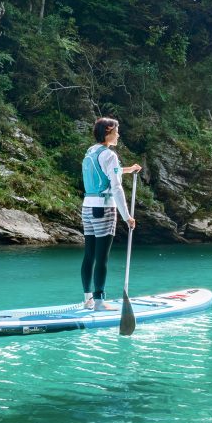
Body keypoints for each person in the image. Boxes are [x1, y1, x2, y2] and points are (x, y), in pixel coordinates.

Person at [80, 117, 141, 311]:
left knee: (89, 254)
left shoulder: (91, 151)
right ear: (107, 131)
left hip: (87, 208)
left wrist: (128, 170)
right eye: (116, 130)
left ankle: (87, 299)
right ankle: (99, 302)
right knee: (102, 257)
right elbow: (115, 187)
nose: (118, 134)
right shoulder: (109, 154)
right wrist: (127, 217)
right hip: (104, 208)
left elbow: (108, 172)